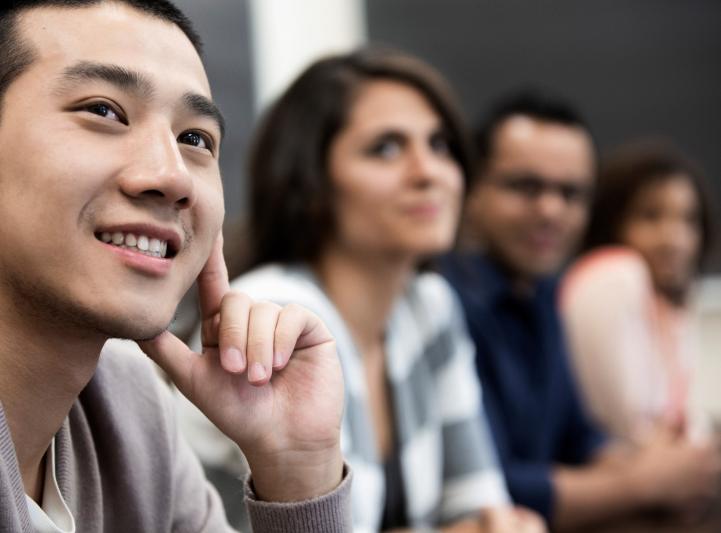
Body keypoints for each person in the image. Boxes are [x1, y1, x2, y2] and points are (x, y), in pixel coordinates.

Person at [0, 1, 354, 531]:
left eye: (195, 140)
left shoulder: (128, 398)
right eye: (103, 111)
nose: (172, 176)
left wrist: (296, 467)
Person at [176, 48, 547, 533]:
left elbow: (482, 506)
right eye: (387, 149)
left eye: (440, 145)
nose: (429, 172)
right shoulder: (279, 316)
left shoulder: (429, 305)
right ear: (310, 183)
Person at [437, 92, 721, 530]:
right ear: (472, 188)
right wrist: (644, 482)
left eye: (571, 193)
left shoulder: (547, 294)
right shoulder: (443, 302)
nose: (551, 210)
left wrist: (662, 464)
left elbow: (580, 436)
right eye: (525, 187)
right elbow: (485, 487)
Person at [561, 139, 718, 444]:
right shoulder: (615, 274)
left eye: (689, 220)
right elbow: (630, 432)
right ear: (612, 220)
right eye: (650, 216)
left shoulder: (672, 306)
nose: (673, 238)